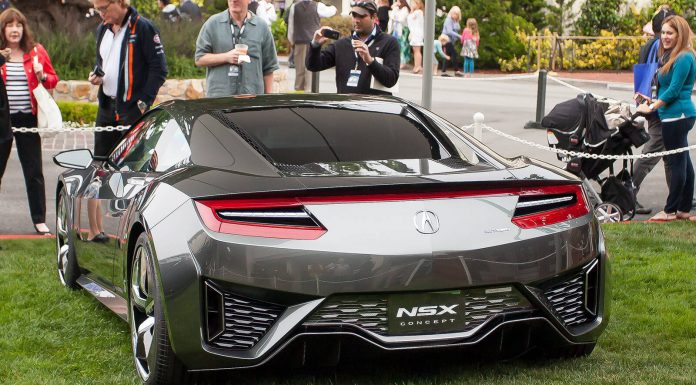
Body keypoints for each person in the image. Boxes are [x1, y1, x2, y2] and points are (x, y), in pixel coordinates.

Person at [0, 8, 58, 235]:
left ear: (24, 28)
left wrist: (42, 74)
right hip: (2, 119)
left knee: (34, 171)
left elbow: (53, 80)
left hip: (28, 118)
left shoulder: (36, 51)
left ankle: (39, 219)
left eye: (19, 25)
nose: (15, 30)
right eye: (10, 25)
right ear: (3, 29)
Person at [89, 0, 167, 157]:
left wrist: (144, 102)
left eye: (104, 8)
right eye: (97, 10)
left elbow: (159, 69)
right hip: (105, 107)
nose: (101, 14)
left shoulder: (143, 27)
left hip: (132, 108)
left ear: (120, 2)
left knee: (133, 161)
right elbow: (103, 61)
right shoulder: (102, 28)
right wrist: (96, 75)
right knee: (101, 160)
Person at [636, 15, 696, 222]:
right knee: (684, 163)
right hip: (673, 116)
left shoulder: (684, 57)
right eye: (663, 33)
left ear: (680, 34)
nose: (665, 37)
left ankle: (670, 210)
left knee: (677, 163)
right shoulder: (672, 56)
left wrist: (651, 106)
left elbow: (673, 91)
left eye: (670, 33)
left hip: (677, 116)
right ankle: (684, 209)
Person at [632, 5, 677, 215]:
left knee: (670, 155)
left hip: (651, 106)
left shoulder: (647, 47)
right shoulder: (665, 51)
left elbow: (641, 78)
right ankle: (627, 193)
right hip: (660, 109)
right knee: (651, 153)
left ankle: (677, 197)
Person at [306, 0, 399, 95]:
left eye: (362, 16)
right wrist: (315, 45)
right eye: (354, 15)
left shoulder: (389, 42)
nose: (357, 20)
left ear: (374, 17)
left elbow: (391, 80)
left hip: (375, 107)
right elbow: (313, 66)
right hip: (346, 107)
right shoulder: (341, 44)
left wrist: (370, 61)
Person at [195, 0, 279, 97]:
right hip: (219, 101)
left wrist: (268, 100)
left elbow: (269, 69)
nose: (234, 0)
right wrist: (226, 57)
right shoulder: (213, 24)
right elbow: (199, 59)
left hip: (252, 101)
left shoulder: (261, 27)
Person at [287, 0, 336, 91]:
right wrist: (333, 7)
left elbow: (291, 26)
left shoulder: (294, 6)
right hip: (312, 40)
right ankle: (308, 90)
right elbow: (331, 11)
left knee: (299, 69)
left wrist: (291, 41)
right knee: (309, 68)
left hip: (299, 40)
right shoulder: (318, 6)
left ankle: (298, 90)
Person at [440, 6, 462, 77]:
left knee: (448, 55)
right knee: (454, 54)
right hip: (445, 40)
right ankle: (456, 71)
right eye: (454, 13)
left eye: (457, 14)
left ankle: (443, 71)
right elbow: (449, 31)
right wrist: (459, 36)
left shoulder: (455, 21)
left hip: (451, 41)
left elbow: (457, 28)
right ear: (451, 12)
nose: (455, 15)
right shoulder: (448, 20)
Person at [388, 0, 410, 70]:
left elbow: (401, 19)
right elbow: (391, 16)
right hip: (396, 30)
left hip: (403, 30)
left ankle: (403, 63)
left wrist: (395, 17)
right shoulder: (396, 9)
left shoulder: (405, 9)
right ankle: (396, 61)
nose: (397, 2)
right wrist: (393, 8)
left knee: (403, 46)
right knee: (396, 45)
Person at [406, 0, 424, 74]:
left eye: (413, 3)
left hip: (417, 33)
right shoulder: (415, 12)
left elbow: (410, 18)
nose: (412, 4)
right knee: (415, 50)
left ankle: (418, 66)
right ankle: (416, 66)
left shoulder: (418, 12)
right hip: (414, 33)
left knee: (417, 50)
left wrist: (412, 10)